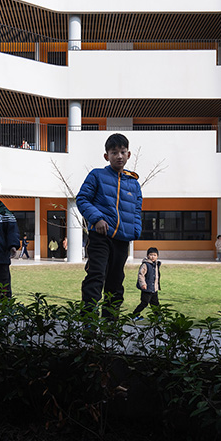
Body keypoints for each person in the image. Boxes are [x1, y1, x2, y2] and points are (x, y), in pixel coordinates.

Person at [76, 133, 143, 319]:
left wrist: (135, 231)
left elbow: (137, 210)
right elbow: (82, 199)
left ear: (128, 154)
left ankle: (110, 325)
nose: (119, 156)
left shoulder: (134, 184)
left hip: (122, 240)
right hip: (100, 237)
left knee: (116, 282)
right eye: (114, 152)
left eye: (122, 152)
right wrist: (97, 219)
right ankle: (88, 322)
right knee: (96, 277)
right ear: (106, 156)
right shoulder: (97, 175)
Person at [131, 247, 161, 319]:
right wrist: (143, 284)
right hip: (147, 288)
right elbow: (141, 275)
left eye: (154, 255)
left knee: (155, 303)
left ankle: (158, 317)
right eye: (151, 255)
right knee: (144, 303)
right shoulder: (145, 264)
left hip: (154, 288)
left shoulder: (156, 264)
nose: (152, 257)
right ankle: (134, 315)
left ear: (157, 256)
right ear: (147, 255)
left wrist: (157, 286)